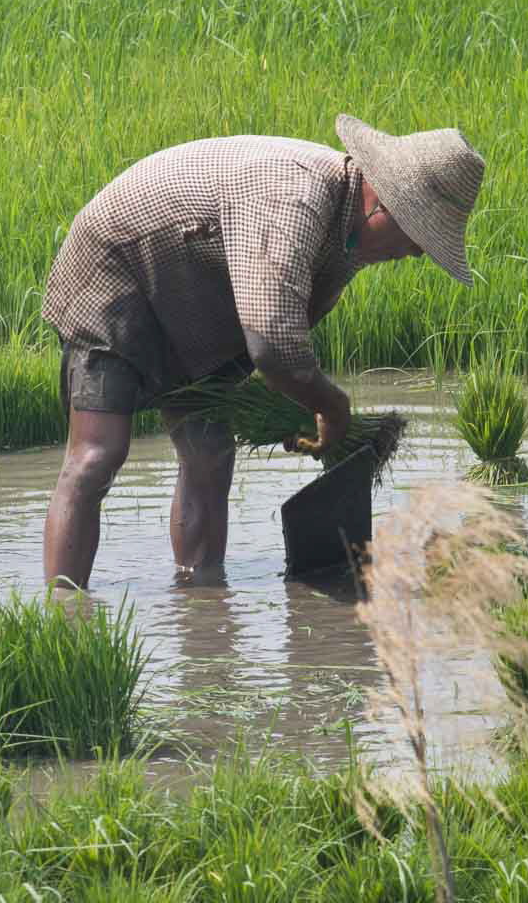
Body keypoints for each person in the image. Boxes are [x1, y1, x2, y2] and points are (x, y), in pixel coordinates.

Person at [42, 114, 486, 590]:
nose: (416, 255)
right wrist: (330, 406)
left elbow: (285, 325)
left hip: (196, 300)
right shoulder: (297, 198)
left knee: (209, 452)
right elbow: (271, 342)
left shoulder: (348, 237)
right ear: (385, 206)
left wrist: (295, 410)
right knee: (98, 455)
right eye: (419, 239)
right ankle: (63, 618)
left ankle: (202, 602)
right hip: (117, 268)